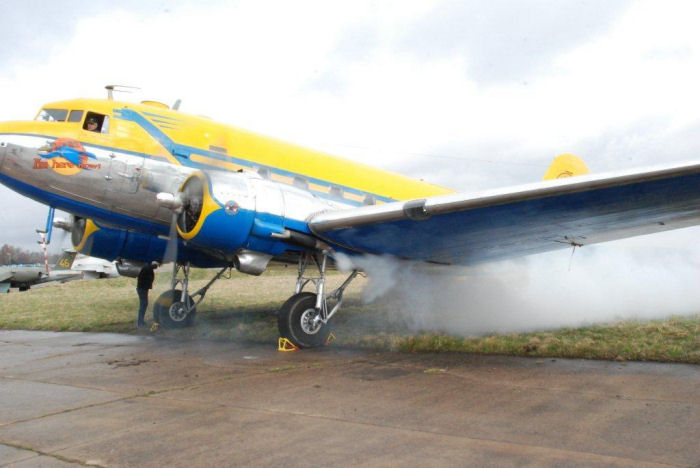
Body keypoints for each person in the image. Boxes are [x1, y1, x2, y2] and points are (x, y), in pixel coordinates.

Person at [136, 261, 158, 328]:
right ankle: (140, 322)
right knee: (143, 304)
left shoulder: (147, 267)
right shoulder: (147, 268)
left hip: (143, 288)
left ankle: (141, 321)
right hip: (142, 289)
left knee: (144, 304)